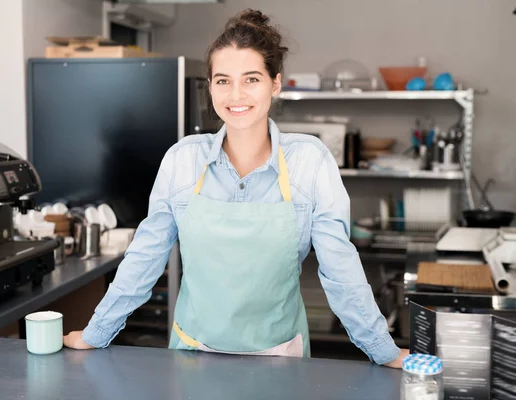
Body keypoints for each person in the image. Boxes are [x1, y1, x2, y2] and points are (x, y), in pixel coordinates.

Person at [64, 8, 408, 367]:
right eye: (223, 80)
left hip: (281, 358)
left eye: (251, 79)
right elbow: (145, 257)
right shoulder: (183, 161)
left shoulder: (310, 162)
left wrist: (383, 350)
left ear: (275, 83)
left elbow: (340, 269)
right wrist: (97, 332)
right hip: (191, 354)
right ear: (210, 86)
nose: (236, 94)